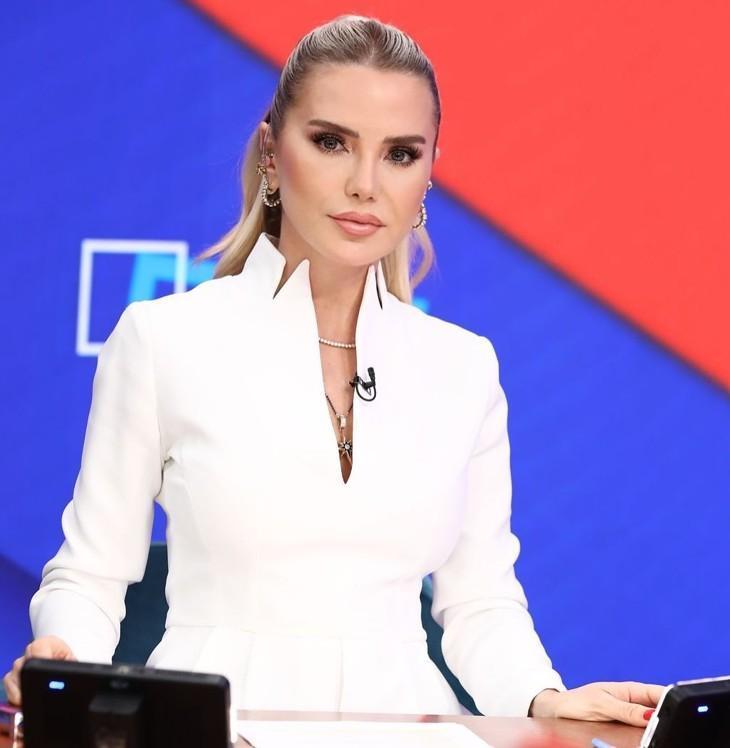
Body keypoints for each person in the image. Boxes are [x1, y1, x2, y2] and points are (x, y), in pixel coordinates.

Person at [4, 14, 662, 725]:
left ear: (427, 175)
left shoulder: (463, 366)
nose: (364, 184)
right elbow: (91, 574)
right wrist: (64, 656)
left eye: (400, 154)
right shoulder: (164, 340)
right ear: (271, 151)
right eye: (331, 142)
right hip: (212, 725)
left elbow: (481, 602)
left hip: (410, 729)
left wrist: (544, 698)